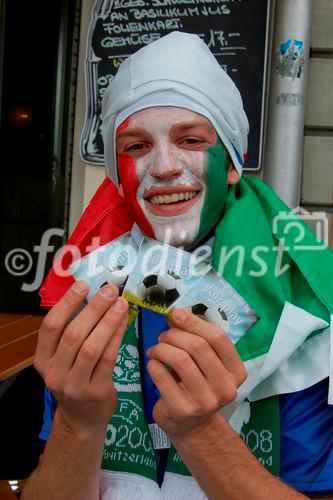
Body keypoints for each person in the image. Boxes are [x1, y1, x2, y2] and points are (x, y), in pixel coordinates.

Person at [22, 32, 333, 499]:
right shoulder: (93, 288)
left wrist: (201, 432)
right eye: (136, 146)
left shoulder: (302, 314)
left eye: (190, 139)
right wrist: (78, 421)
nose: (165, 166)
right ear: (118, 177)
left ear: (232, 163)